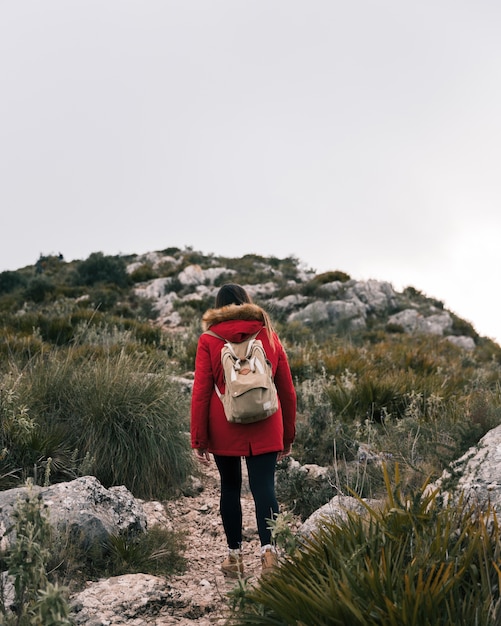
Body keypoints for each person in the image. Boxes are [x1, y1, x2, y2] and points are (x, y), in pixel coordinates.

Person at [190, 283, 297, 578]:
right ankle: (269, 556)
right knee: (265, 487)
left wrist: (198, 438)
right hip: (266, 421)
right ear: (247, 303)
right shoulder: (268, 333)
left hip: (225, 422)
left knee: (230, 487)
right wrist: (287, 435)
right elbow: (287, 390)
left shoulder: (209, 338)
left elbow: (200, 390)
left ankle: (235, 558)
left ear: (219, 307)